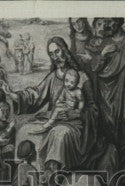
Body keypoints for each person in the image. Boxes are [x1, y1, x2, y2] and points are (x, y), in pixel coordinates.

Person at [12, 37, 101, 172]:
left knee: (58, 133)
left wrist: (75, 114)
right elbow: (36, 95)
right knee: (24, 130)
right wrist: (13, 95)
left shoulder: (81, 77)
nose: (55, 57)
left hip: (74, 125)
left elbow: (93, 109)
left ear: (64, 51)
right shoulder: (53, 76)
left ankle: (51, 177)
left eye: (57, 52)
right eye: (51, 54)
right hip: (53, 120)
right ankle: (27, 174)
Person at [90, 18, 125, 174]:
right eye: (105, 21)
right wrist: (103, 54)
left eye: (111, 21)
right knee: (108, 141)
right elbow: (95, 67)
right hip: (104, 100)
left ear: (119, 21)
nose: (107, 25)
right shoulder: (103, 42)